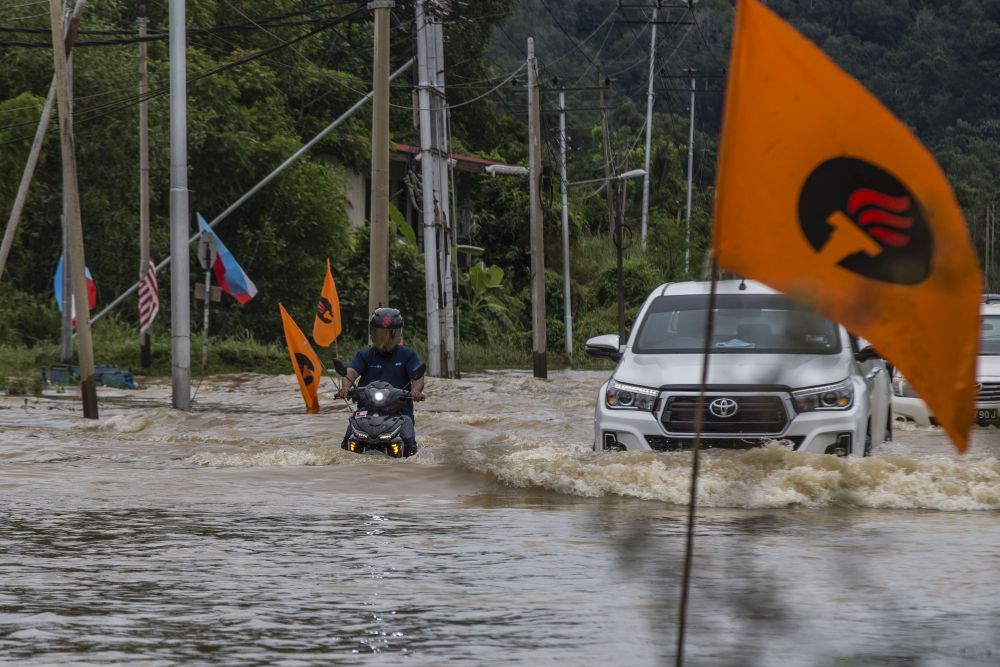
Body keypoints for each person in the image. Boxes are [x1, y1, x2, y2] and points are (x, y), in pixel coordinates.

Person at [336, 307, 425, 456]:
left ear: (398, 334)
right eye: (380, 334)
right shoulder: (364, 354)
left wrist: (416, 391)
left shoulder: (408, 355)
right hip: (366, 409)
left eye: (389, 335)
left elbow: (417, 377)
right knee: (348, 437)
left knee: (408, 433)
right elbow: (350, 372)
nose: (385, 340)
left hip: (399, 411)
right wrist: (345, 387)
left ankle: (411, 462)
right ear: (372, 333)